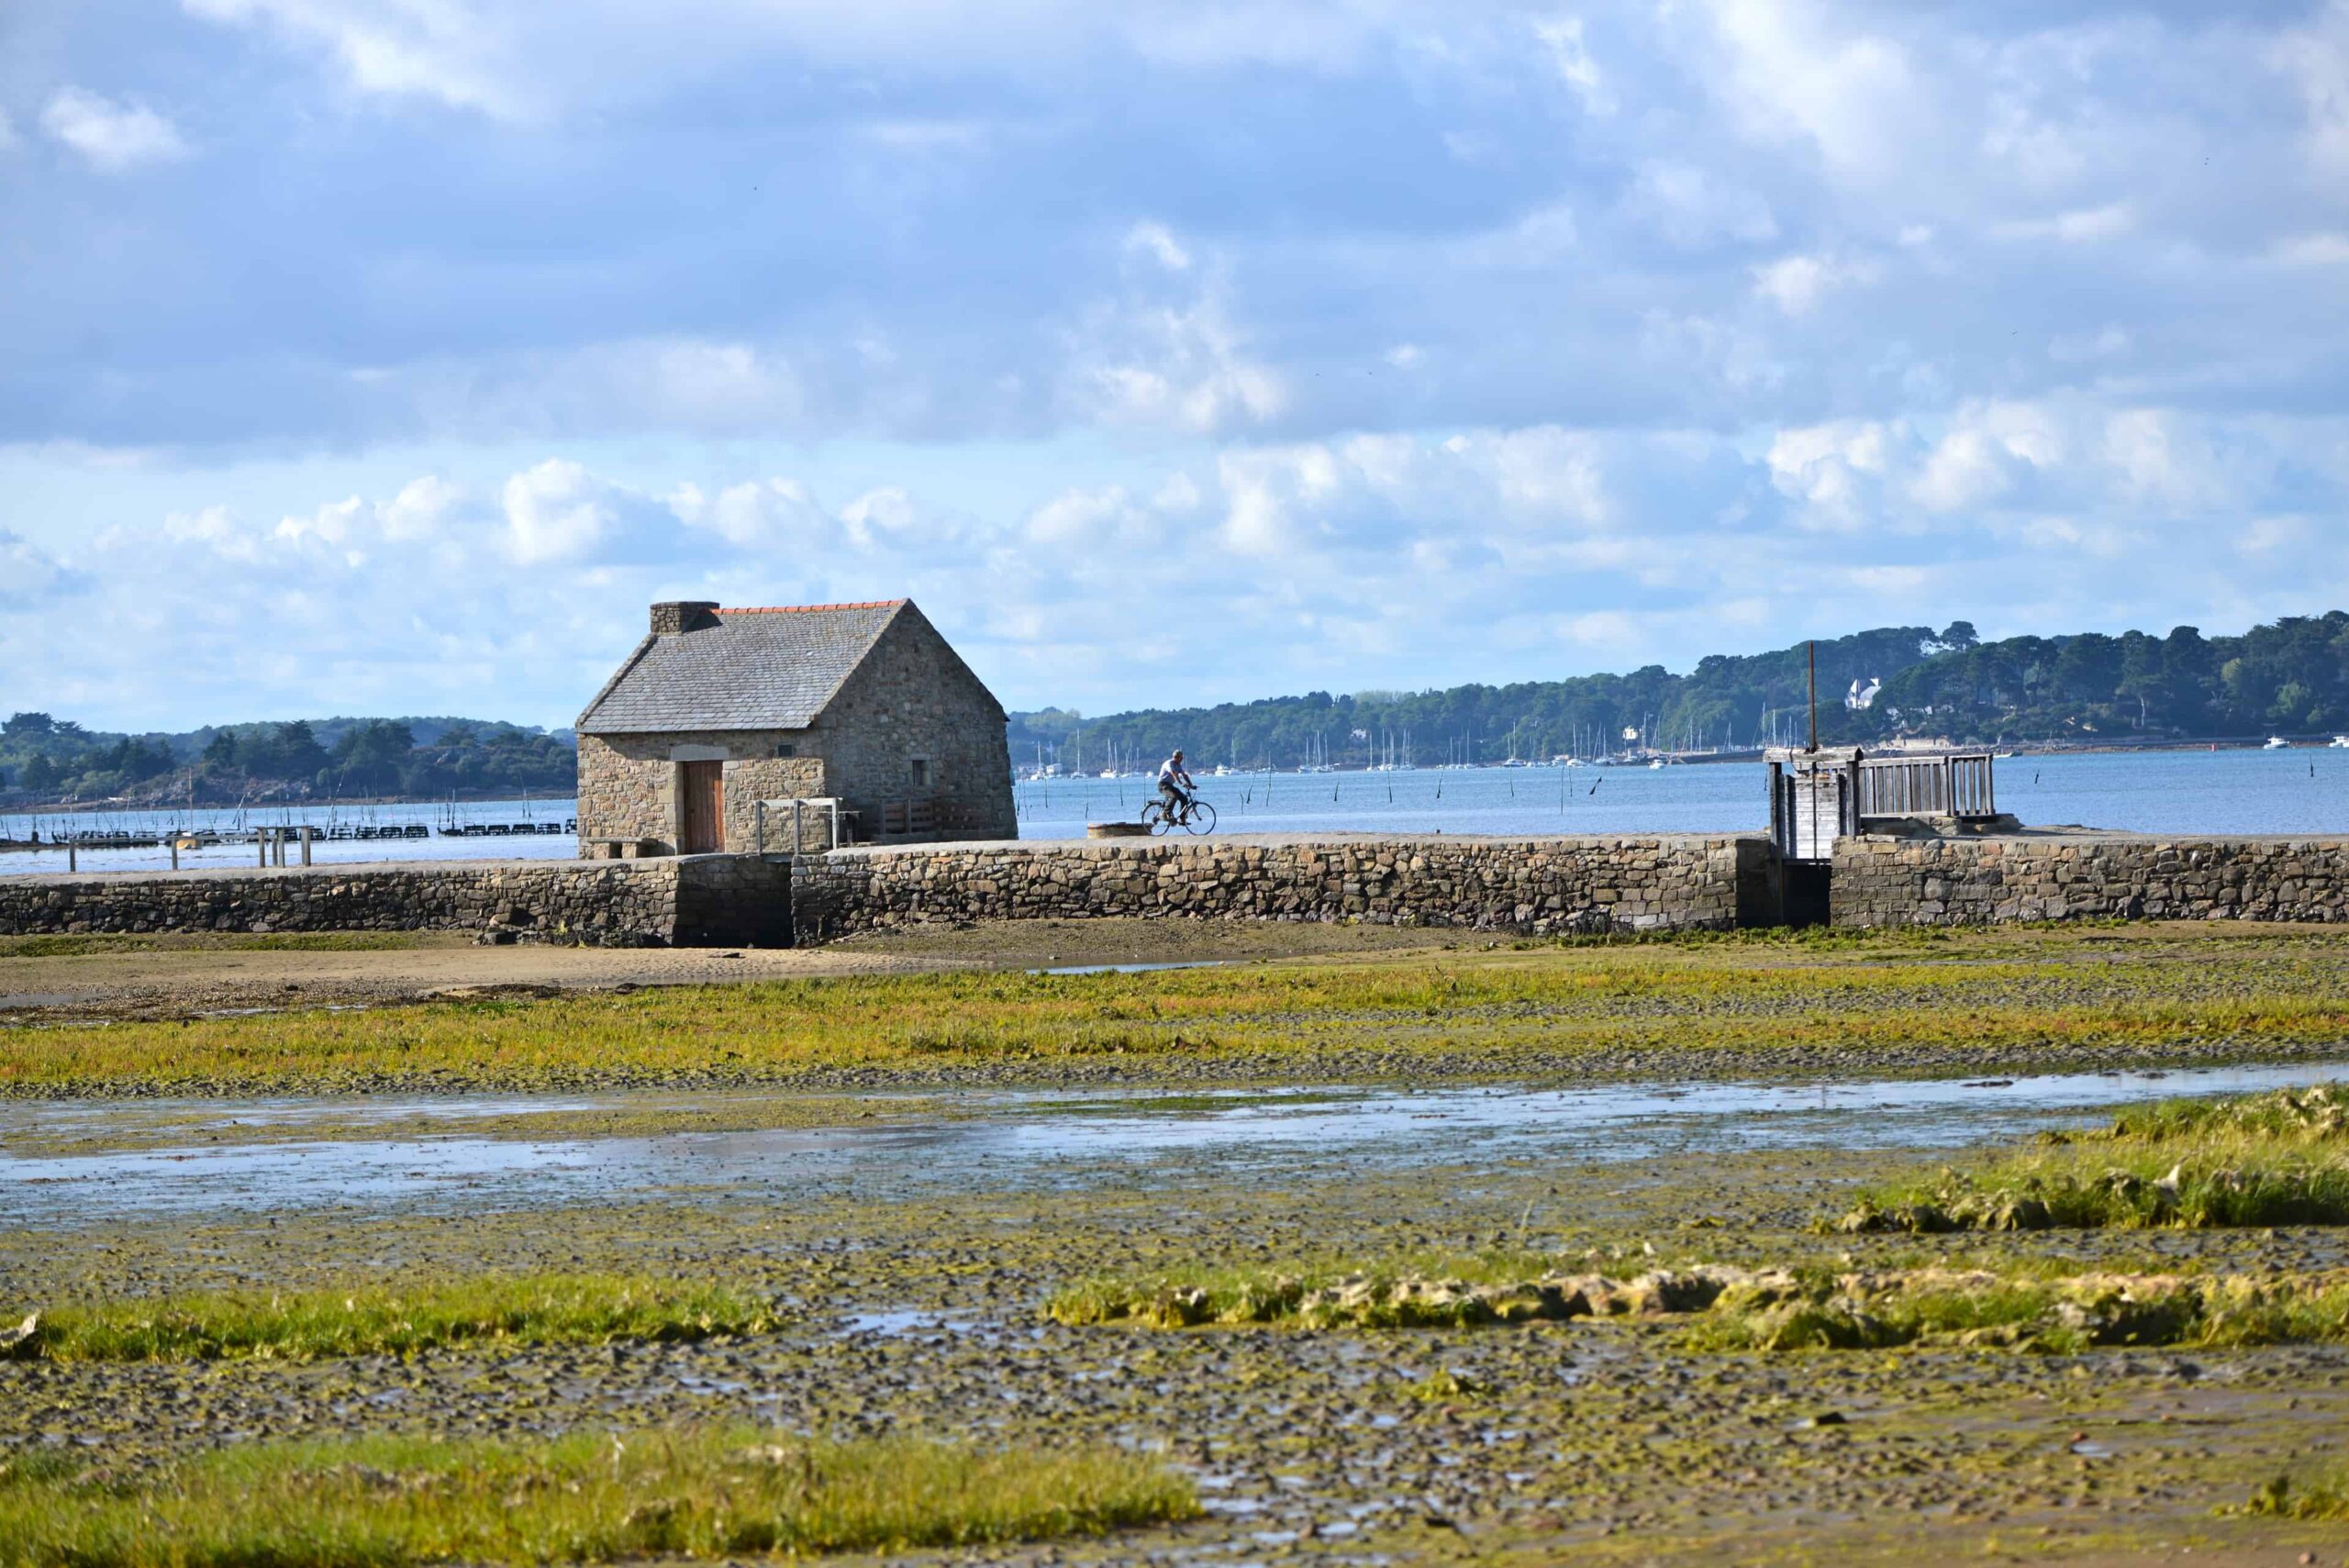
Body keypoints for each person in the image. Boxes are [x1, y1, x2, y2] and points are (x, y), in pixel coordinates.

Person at [1156, 749, 1196, 822]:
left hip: (1170, 785)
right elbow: (1174, 773)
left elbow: (1184, 775)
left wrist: (1191, 785)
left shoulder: (1178, 765)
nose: (1182, 760)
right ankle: (1165, 814)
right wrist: (1181, 783)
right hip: (1163, 785)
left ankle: (1182, 819)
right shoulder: (1169, 763)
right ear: (1177, 757)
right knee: (1173, 796)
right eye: (1181, 758)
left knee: (1184, 798)